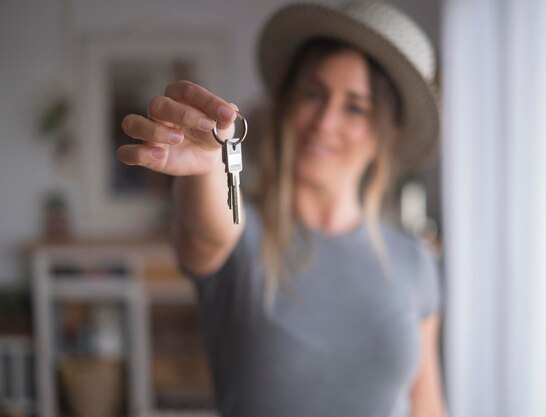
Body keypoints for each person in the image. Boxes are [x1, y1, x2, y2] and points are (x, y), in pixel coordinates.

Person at [116, 2, 445, 416]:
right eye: (313, 93)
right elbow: (208, 230)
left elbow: (428, 406)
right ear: (287, 103)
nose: (324, 121)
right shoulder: (244, 235)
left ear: (388, 134)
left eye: (355, 107)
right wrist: (204, 170)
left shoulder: (416, 262)